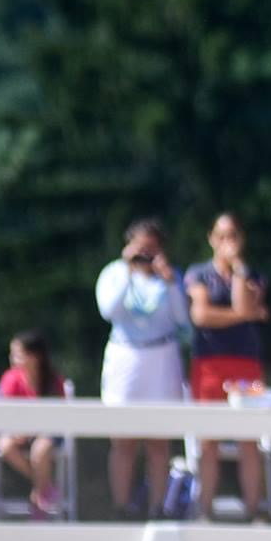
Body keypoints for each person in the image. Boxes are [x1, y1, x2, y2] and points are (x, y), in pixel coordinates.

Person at [96, 217, 190, 520]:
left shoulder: (170, 276)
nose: (146, 253)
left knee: (158, 441)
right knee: (122, 440)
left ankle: (158, 506)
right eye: (141, 247)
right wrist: (127, 269)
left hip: (161, 357)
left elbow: (181, 320)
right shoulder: (114, 273)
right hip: (126, 356)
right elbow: (109, 310)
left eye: (152, 248)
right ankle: (121, 506)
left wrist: (169, 282)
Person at [184, 212, 270, 522]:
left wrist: (237, 272)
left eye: (233, 235)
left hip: (246, 363)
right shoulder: (198, 274)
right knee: (209, 440)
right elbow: (202, 316)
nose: (227, 242)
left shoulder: (252, 275)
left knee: (250, 439)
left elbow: (245, 305)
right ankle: (204, 508)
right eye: (221, 236)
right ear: (211, 239)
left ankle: (253, 509)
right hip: (209, 363)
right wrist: (244, 315)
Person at [0, 330, 67, 519]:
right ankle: (44, 486)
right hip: (19, 432)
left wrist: (32, 429)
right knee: (5, 445)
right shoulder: (11, 379)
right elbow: (7, 412)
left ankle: (39, 495)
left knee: (40, 450)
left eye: (18, 354)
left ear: (35, 356)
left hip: (48, 432)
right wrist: (17, 430)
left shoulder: (53, 380)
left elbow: (58, 415)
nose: (13, 359)